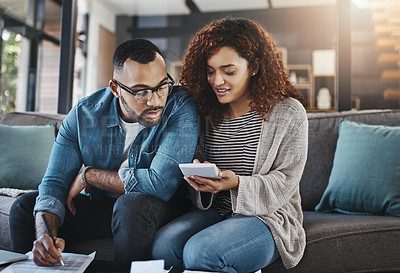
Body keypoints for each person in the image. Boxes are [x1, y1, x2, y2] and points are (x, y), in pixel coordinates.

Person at [9, 38, 198, 266]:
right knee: (24, 208)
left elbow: (161, 184)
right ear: (116, 89)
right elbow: (54, 183)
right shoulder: (84, 114)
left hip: (160, 206)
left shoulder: (180, 107)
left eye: (161, 86)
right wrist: (45, 236)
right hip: (106, 206)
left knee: (130, 206)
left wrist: (90, 176)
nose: (155, 101)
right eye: (140, 92)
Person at [152, 17, 308, 273]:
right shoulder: (204, 113)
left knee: (200, 252)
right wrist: (199, 179)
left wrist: (236, 183)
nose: (217, 81)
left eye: (229, 71)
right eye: (210, 71)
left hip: (267, 217)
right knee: (164, 246)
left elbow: (285, 182)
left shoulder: (288, 113)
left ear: (254, 67)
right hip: (217, 211)